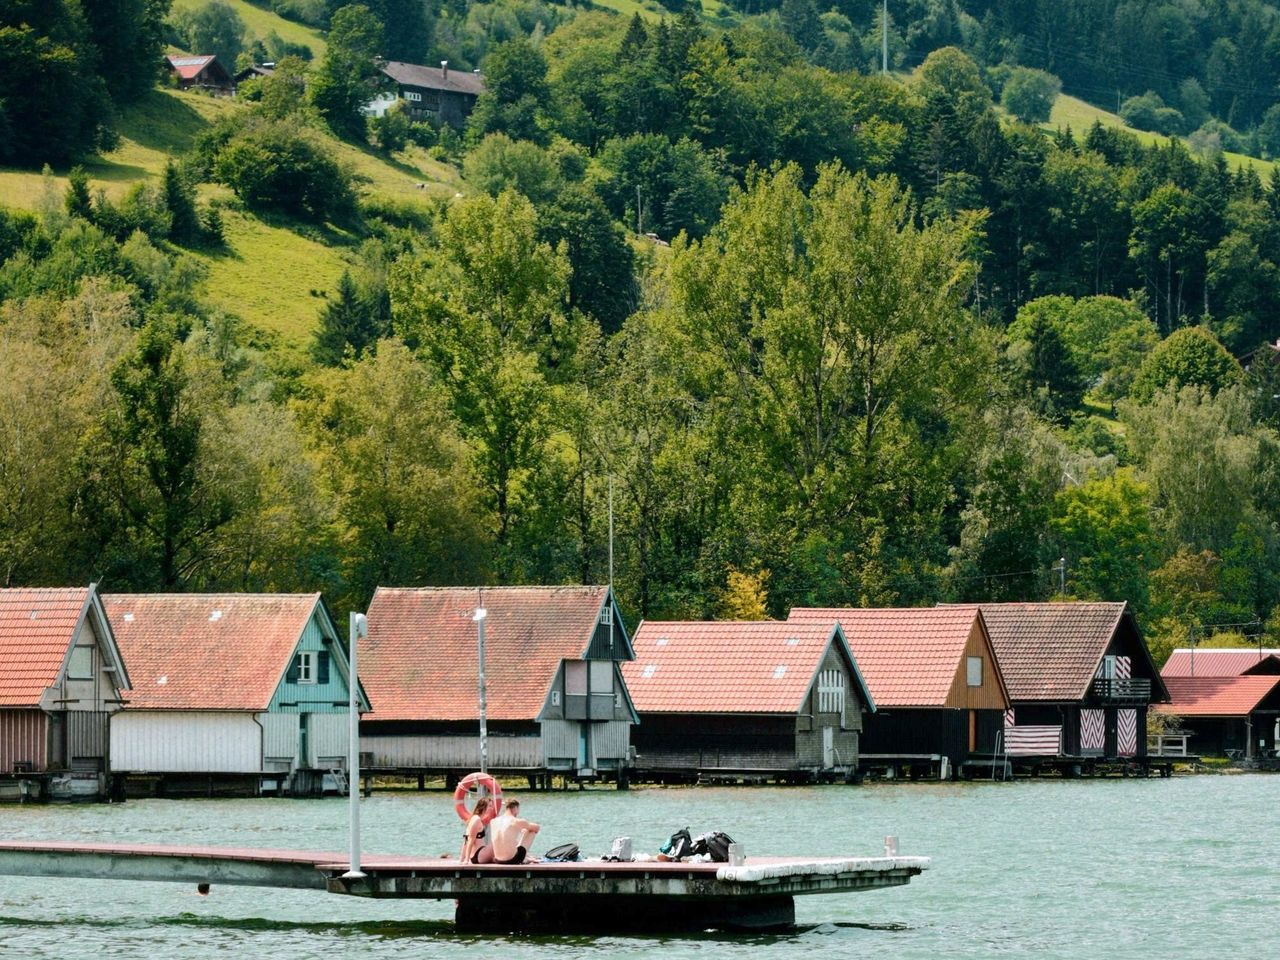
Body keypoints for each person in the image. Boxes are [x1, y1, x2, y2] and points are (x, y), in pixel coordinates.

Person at [489, 797, 539, 864]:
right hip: (512, 860)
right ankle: (524, 858)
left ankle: (526, 857)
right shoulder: (516, 821)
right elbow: (537, 828)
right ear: (515, 808)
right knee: (532, 831)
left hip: (498, 860)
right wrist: (526, 829)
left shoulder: (493, 821)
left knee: (510, 839)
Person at [460, 796, 495, 864]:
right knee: (496, 844)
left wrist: (461, 858)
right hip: (478, 855)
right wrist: (466, 860)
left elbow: (465, 840)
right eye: (490, 806)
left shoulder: (474, 818)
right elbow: (470, 840)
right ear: (483, 807)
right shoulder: (476, 820)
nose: (492, 808)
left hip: (477, 856)